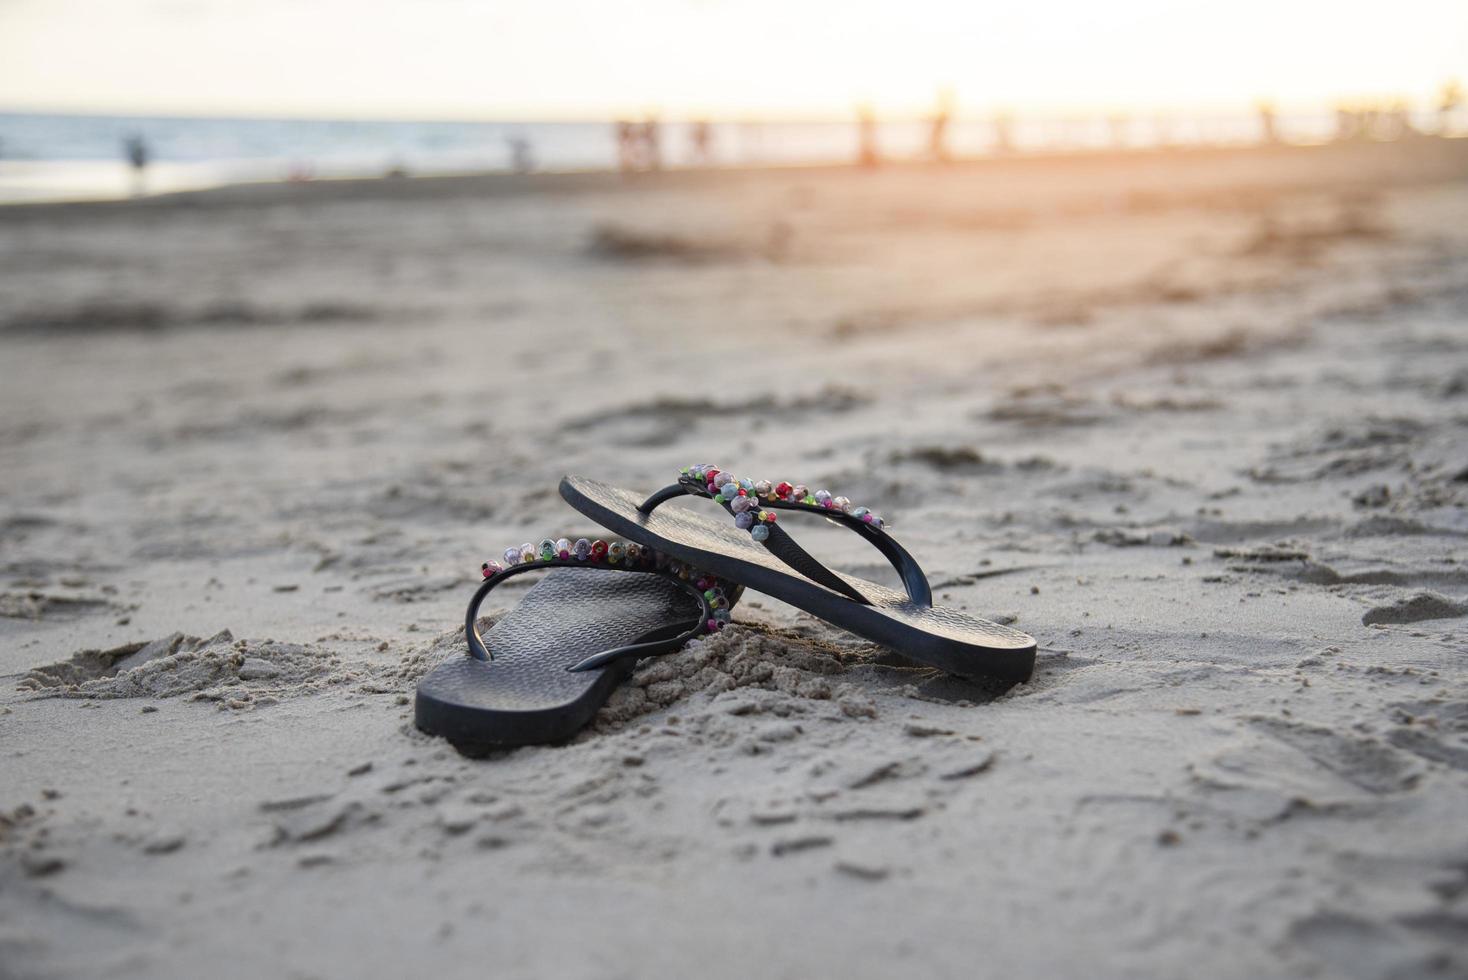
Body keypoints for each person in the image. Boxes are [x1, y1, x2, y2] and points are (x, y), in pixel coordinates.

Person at [927, 89, 954, 162]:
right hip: (937, 136)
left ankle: (941, 156)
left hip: (938, 136)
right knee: (936, 144)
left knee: (937, 144)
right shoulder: (943, 110)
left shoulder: (943, 111)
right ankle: (940, 156)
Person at [123, 132, 150, 197]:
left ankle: (139, 187)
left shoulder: (138, 148)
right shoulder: (138, 148)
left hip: (139, 163)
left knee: (138, 176)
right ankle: (138, 187)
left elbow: (142, 155)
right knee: (137, 176)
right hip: (138, 163)